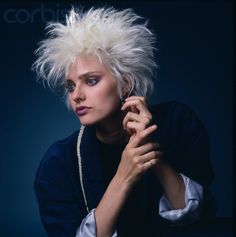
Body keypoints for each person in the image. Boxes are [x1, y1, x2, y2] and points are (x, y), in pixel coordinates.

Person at [32, 6, 215, 237]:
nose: (76, 95)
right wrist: (124, 175)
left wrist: (148, 148)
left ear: (125, 83)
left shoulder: (178, 122)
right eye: (70, 85)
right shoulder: (58, 162)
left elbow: (192, 215)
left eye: (91, 80)